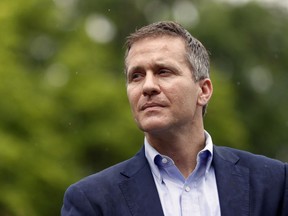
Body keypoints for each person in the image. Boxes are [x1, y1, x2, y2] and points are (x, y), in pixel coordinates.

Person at [61, 21, 288, 216]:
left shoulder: (274, 184)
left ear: (204, 90)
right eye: (136, 76)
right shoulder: (92, 201)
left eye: (163, 71)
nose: (148, 86)